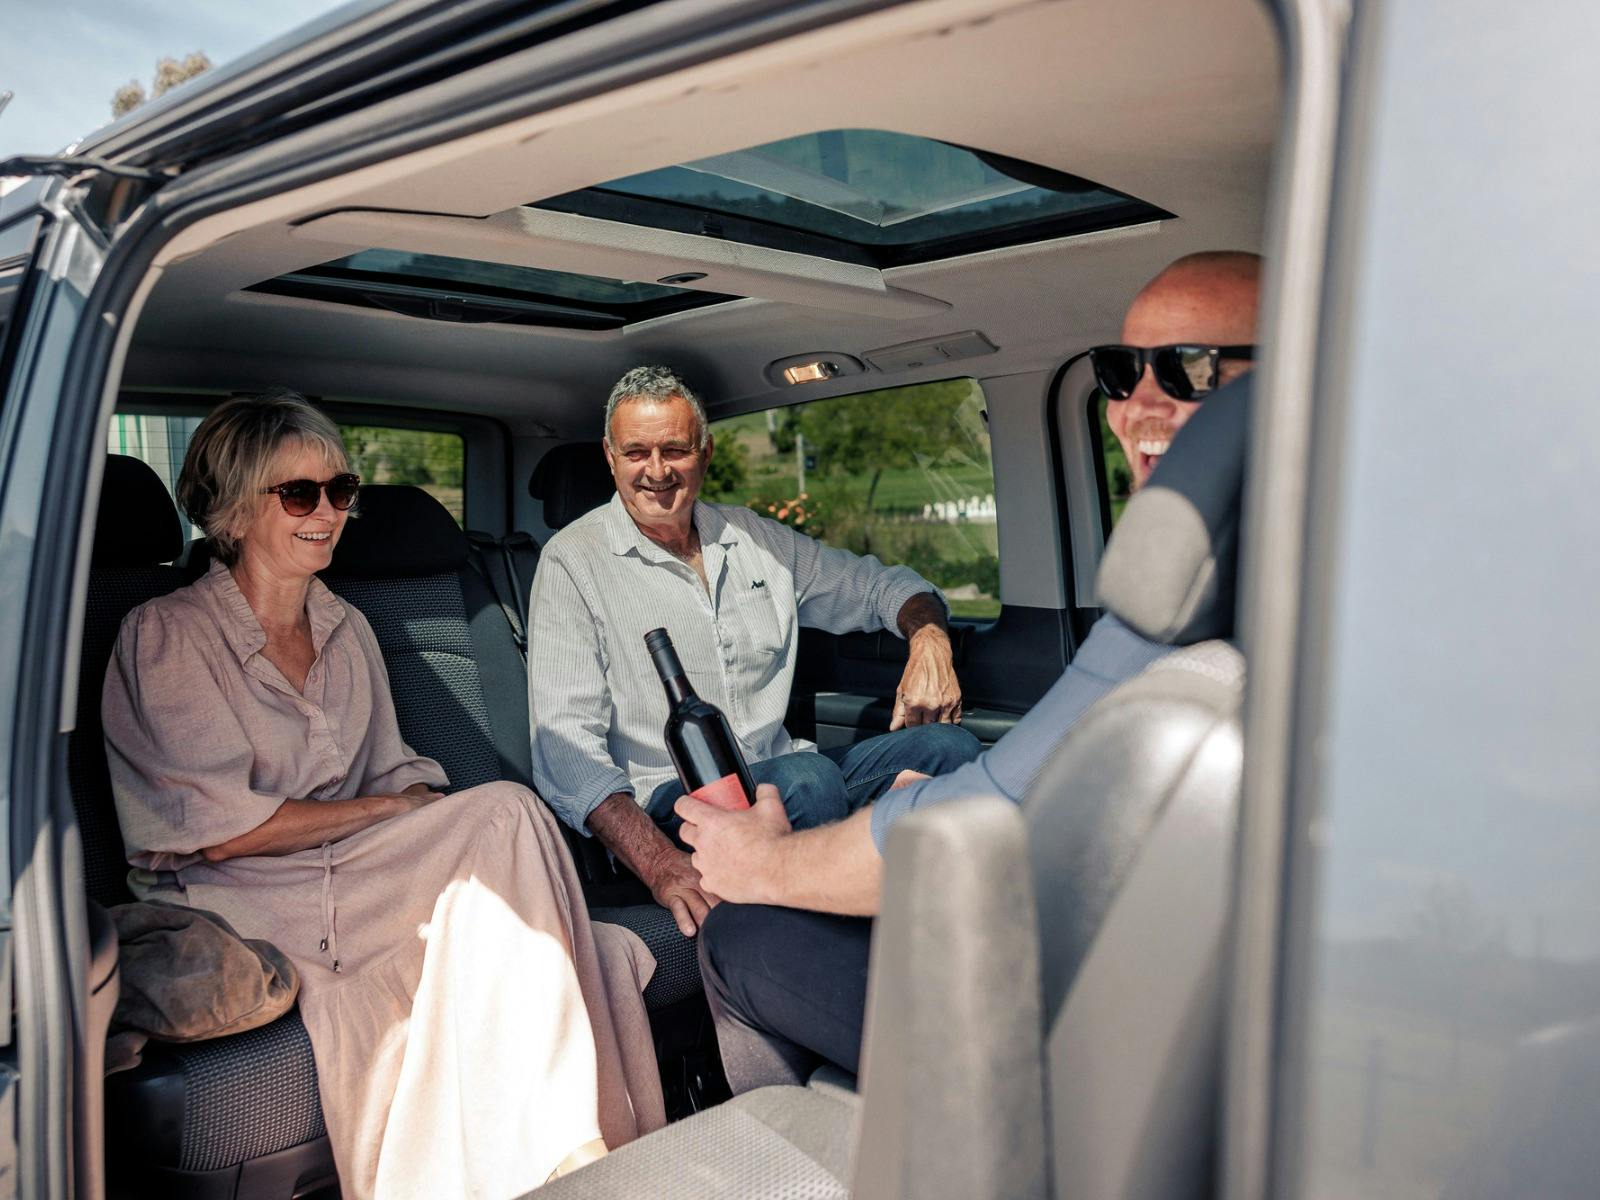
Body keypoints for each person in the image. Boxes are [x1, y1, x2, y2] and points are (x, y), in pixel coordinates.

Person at [675, 251, 1262, 1091]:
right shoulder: (1262, 593)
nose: (1136, 407)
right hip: (1139, 973)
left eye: (1191, 368)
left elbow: (891, 599)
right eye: (1121, 372)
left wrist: (759, 866)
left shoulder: (1178, 604)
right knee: (876, 776)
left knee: (743, 931)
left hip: (1093, 1032)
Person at [101, 391, 665, 1200]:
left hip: (359, 874)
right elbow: (219, 831)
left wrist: (417, 812)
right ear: (230, 511)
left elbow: (392, 775)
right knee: (508, 820)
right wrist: (396, 816)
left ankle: (570, 1161)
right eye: (299, 494)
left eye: (340, 490)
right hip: (239, 895)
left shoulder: (346, 625)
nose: (327, 512)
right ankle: (587, 1163)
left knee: (522, 862)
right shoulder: (166, 634)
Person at [527, 365, 982, 937]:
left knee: (950, 748)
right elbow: (569, 757)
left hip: (785, 775)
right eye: (637, 452)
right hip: (672, 802)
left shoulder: (755, 541)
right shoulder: (574, 561)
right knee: (808, 779)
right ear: (610, 457)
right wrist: (663, 868)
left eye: (676, 449)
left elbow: (882, 588)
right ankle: (812, 984)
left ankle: (933, 947)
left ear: (707, 452)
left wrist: (930, 639)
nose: (658, 471)